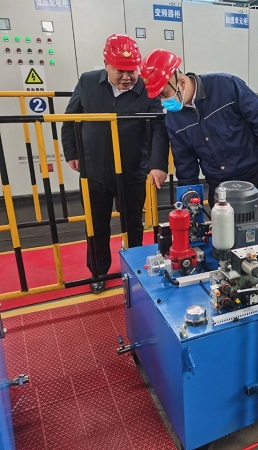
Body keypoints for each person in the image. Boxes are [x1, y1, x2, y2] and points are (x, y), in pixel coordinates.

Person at [139, 49, 258, 248]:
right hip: (218, 186)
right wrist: (189, 200)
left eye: (163, 93)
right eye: (158, 97)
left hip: (252, 177)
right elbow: (185, 161)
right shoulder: (174, 120)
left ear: (180, 81)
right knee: (226, 240)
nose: (163, 100)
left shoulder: (226, 86)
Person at [61, 34, 169, 294]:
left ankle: (133, 270)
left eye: (132, 71)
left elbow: (158, 127)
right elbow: (70, 118)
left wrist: (157, 163)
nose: (127, 77)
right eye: (120, 70)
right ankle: (98, 272)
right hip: (93, 170)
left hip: (132, 170)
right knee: (96, 225)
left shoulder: (146, 88)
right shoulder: (88, 82)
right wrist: (72, 152)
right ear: (106, 65)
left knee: (133, 224)